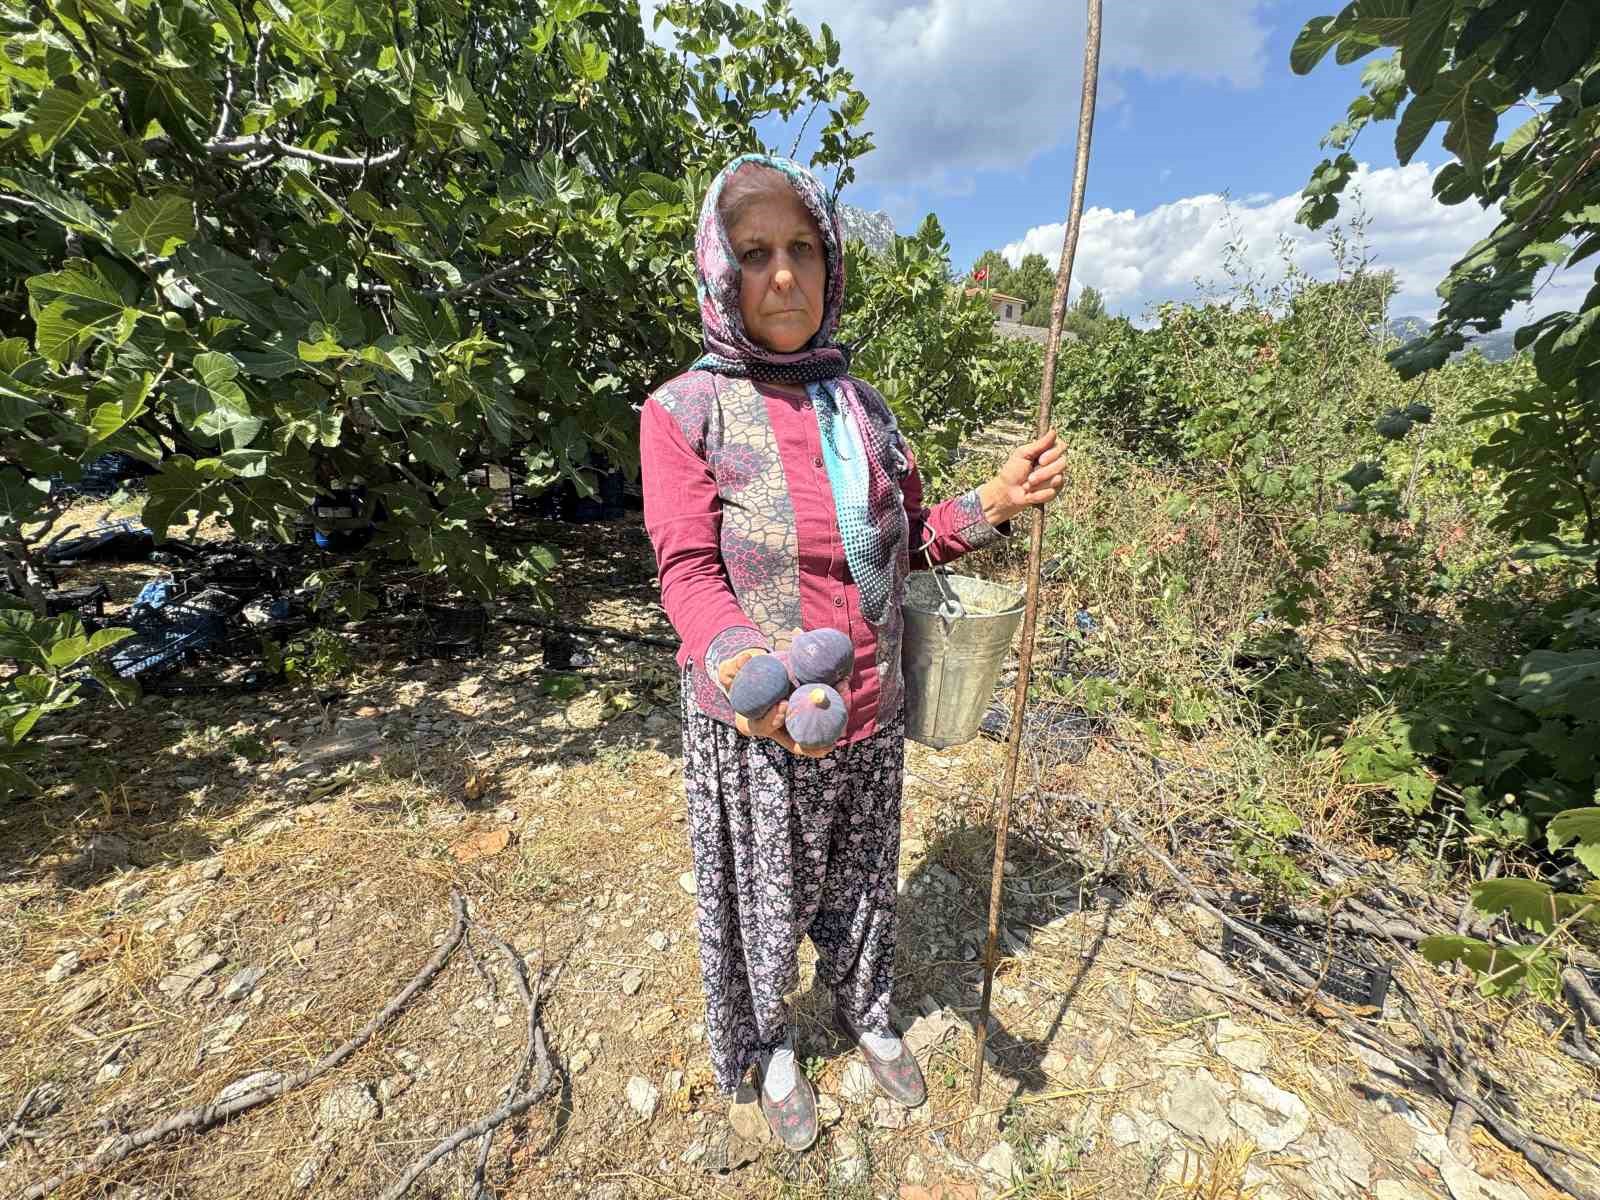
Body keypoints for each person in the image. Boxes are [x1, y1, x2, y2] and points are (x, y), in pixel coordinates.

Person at [640, 153, 1064, 1152]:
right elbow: (687, 576)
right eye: (754, 254)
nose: (781, 275)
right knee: (765, 890)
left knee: (866, 879)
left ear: (830, 265)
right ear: (719, 273)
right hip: (761, 723)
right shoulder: (683, 413)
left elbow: (901, 541)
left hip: (869, 707)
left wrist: (993, 503)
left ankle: (864, 1006)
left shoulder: (864, 411)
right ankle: (772, 1042)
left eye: (800, 250)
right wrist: (753, 671)